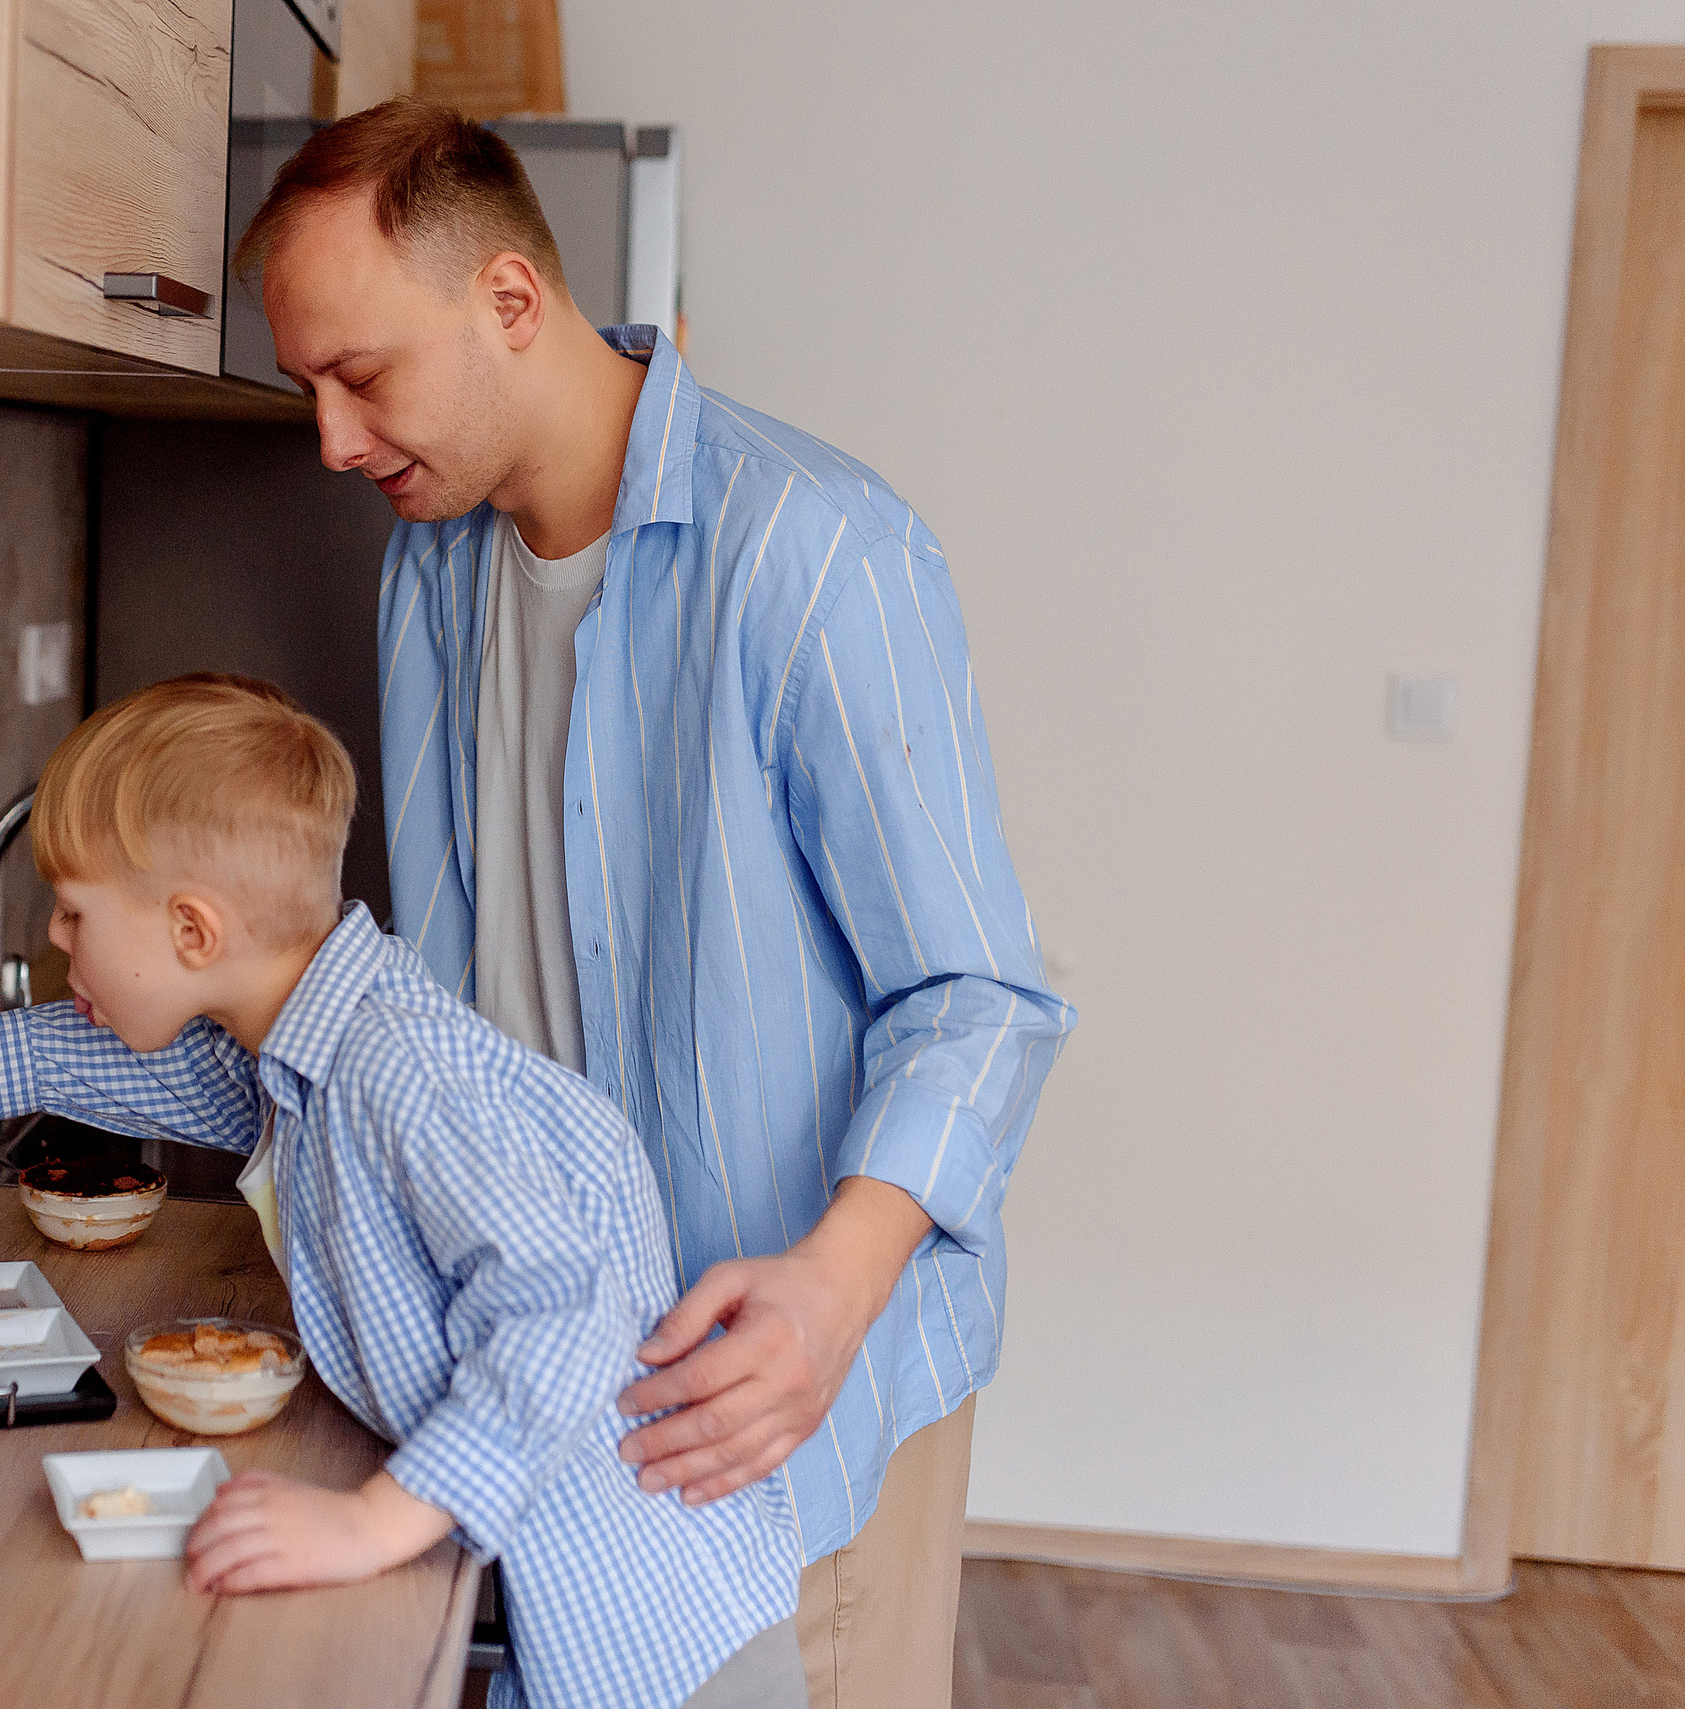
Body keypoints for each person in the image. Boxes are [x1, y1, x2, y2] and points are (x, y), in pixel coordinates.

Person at [233, 100, 1077, 1706]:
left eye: (362, 376)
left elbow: (980, 997)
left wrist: (835, 1289)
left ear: (510, 298)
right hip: (556, 1387)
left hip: (788, 1397)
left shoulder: (819, 554)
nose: (332, 441)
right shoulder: (433, 565)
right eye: (307, 391)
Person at [0, 674, 807, 1709]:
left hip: (669, 1646)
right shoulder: (292, 1045)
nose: (55, 936)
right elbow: (68, 1059)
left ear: (191, 931)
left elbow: (559, 1309)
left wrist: (370, 1520)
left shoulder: (393, 1066)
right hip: (601, 1619)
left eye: (75, 910)